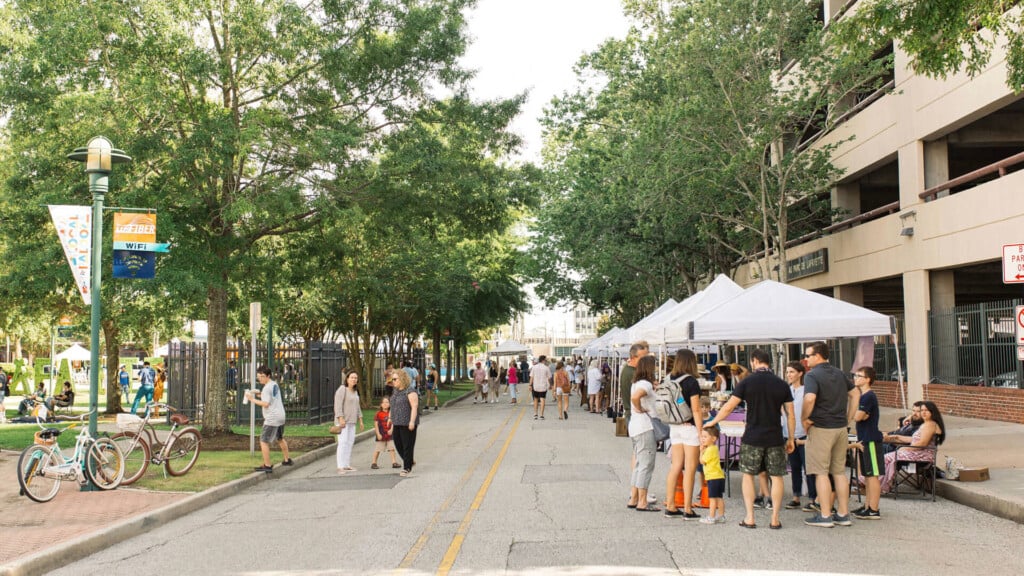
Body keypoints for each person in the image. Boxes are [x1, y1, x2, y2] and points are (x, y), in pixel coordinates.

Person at [705, 349, 794, 529]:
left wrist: (713, 421)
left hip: (753, 435)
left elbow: (729, 407)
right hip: (775, 436)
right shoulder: (782, 384)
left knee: (748, 475)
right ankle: (775, 518)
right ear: (768, 362)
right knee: (777, 477)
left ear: (754, 361)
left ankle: (750, 517)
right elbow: (790, 415)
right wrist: (791, 437)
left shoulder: (747, 382)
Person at [802, 341, 859, 528]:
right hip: (840, 427)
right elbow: (856, 393)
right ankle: (843, 513)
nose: (805, 359)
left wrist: (805, 418)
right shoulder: (839, 373)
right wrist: (849, 417)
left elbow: (810, 398)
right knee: (839, 472)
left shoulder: (812, 376)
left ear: (817, 356)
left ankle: (825, 515)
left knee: (821, 472)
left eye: (808, 355)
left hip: (821, 427)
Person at [663, 349, 703, 520]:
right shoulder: (691, 382)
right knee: (691, 468)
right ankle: (687, 507)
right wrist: (701, 432)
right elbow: (696, 409)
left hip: (675, 426)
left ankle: (671, 505)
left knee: (676, 466)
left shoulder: (668, 379)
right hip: (689, 428)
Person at [880, 400, 945, 494]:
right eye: (922, 410)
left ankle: (882, 485)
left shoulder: (930, 424)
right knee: (887, 456)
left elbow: (922, 443)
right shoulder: (926, 424)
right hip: (917, 453)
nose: (923, 412)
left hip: (923, 455)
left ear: (932, 412)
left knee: (888, 457)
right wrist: (894, 437)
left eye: (926, 410)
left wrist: (906, 448)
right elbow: (912, 440)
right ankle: (881, 484)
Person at [851, 366, 884, 519]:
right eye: (855, 375)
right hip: (863, 438)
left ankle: (874, 508)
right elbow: (859, 416)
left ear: (868, 379)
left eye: (859, 376)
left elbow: (858, 417)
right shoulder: (862, 396)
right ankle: (867, 505)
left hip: (870, 439)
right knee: (867, 475)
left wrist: (860, 415)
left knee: (873, 475)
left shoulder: (868, 396)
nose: (855, 378)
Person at [245, 365, 293, 472]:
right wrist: (259, 394)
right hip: (280, 415)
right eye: (259, 376)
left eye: (262, 376)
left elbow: (266, 403)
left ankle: (267, 465)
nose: (260, 378)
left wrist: (251, 399)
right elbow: (270, 397)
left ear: (268, 376)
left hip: (272, 418)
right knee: (280, 438)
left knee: (263, 440)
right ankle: (287, 459)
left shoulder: (266, 388)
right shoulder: (274, 384)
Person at [627, 355, 659, 512]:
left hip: (636, 427)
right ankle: (642, 501)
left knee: (639, 464)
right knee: (646, 464)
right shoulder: (645, 384)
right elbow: (635, 397)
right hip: (645, 427)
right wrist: (639, 407)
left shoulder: (637, 383)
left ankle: (634, 498)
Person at [781, 361, 813, 510]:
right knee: (794, 466)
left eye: (792, 372)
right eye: (787, 372)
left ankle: (813, 497)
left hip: (804, 433)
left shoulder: (806, 390)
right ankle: (796, 496)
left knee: (808, 467)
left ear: (800, 373)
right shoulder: (785, 390)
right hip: (788, 433)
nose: (789, 375)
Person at [334, 370, 364, 475]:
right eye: (352, 377)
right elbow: (338, 405)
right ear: (347, 379)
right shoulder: (342, 389)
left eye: (355, 378)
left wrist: (360, 420)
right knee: (342, 443)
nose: (354, 379)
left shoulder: (355, 392)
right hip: (343, 421)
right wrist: (340, 418)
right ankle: (340, 466)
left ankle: (346, 464)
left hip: (352, 421)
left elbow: (358, 407)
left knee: (350, 443)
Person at [390, 369, 419, 477]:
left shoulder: (410, 391)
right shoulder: (395, 391)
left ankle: (407, 467)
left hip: (407, 422)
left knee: (407, 445)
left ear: (402, 379)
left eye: (395, 379)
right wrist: (390, 417)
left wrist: (412, 421)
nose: (393, 381)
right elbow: (392, 405)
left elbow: (414, 407)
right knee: (398, 444)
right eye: (392, 379)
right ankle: (410, 460)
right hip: (397, 421)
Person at [698, 427, 726, 524]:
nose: (702, 439)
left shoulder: (709, 450)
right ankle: (721, 516)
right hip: (719, 476)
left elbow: (702, 461)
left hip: (713, 477)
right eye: (702, 437)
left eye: (705, 437)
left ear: (713, 439)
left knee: (712, 498)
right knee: (719, 497)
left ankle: (711, 517)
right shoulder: (714, 448)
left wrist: (701, 451)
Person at [619, 341, 649, 420]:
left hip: (632, 414)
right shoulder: (634, 373)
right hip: (635, 416)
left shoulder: (629, 369)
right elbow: (635, 397)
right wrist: (640, 408)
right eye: (643, 358)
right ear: (633, 357)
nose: (646, 360)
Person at [371, 397, 399, 469]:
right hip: (381, 435)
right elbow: (376, 425)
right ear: (381, 404)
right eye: (384, 402)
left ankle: (394, 462)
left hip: (390, 435)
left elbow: (394, 422)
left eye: (387, 402)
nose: (386, 404)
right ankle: (374, 463)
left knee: (392, 448)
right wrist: (378, 434)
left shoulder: (391, 413)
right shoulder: (378, 414)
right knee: (378, 449)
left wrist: (391, 430)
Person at [530, 355, 551, 419]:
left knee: (535, 399)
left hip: (535, 386)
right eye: (546, 360)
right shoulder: (546, 368)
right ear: (543, 360)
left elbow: (531, 377)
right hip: (543, 386)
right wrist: (550, 385)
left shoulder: (534, 367)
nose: (546, 361)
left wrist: (530, 385)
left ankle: (535, 414)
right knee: (542, 400)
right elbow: (549, 377)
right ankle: (541, 415)